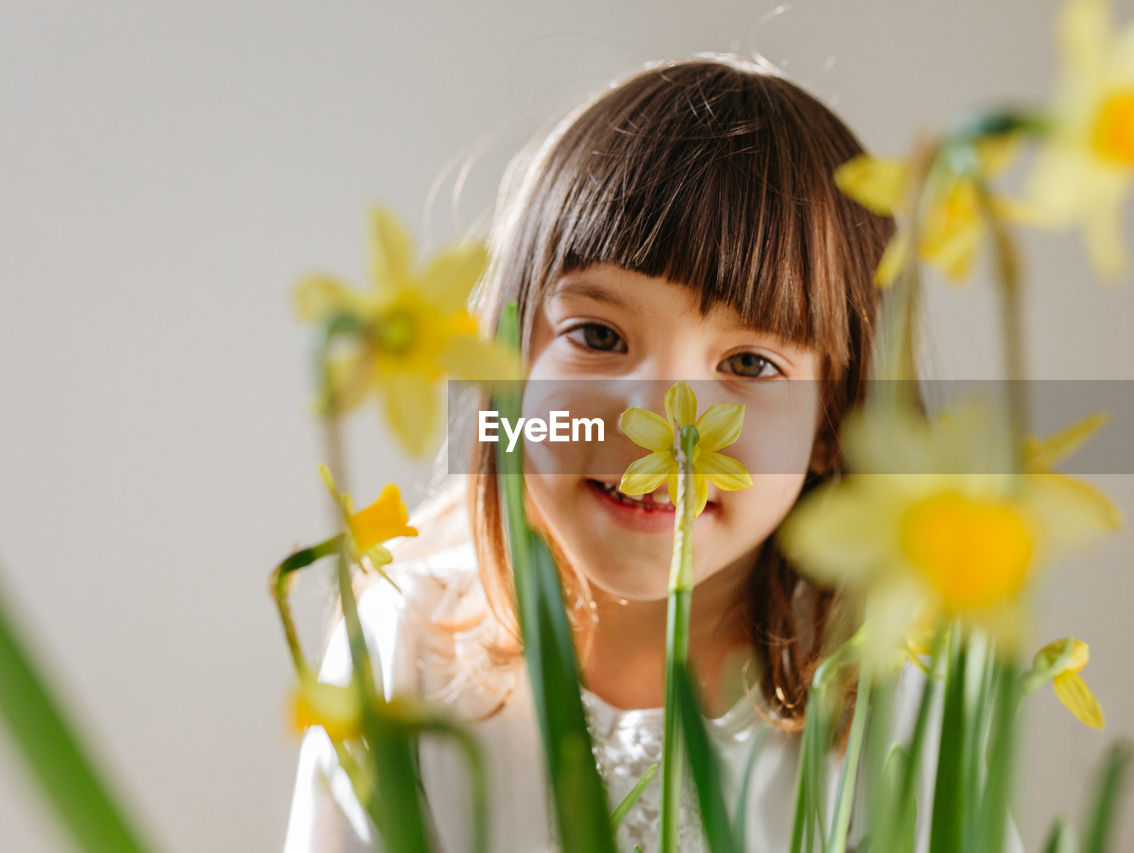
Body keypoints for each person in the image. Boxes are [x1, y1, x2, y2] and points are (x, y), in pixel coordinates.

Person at [282, 54, 1023, 853]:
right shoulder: (407, 639)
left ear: (832, 425)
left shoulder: (889, 681)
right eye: (598, 336)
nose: (662, 423)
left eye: (749, 364)